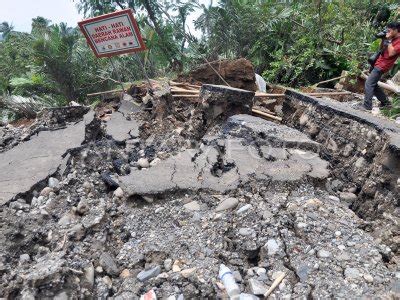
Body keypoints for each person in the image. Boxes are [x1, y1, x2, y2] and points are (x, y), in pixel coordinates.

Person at [363, 21, 400, 110]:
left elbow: (391, 53)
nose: (388, 32)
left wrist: (389, 40)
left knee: (369, 83)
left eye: (390, 30)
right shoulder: (391, 38)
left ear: (396, 30)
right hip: (378, 62)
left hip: (383, 65)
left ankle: (367, 106)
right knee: (374, 84)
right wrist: (384, 39)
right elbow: (382, 49)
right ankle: (386, 103)